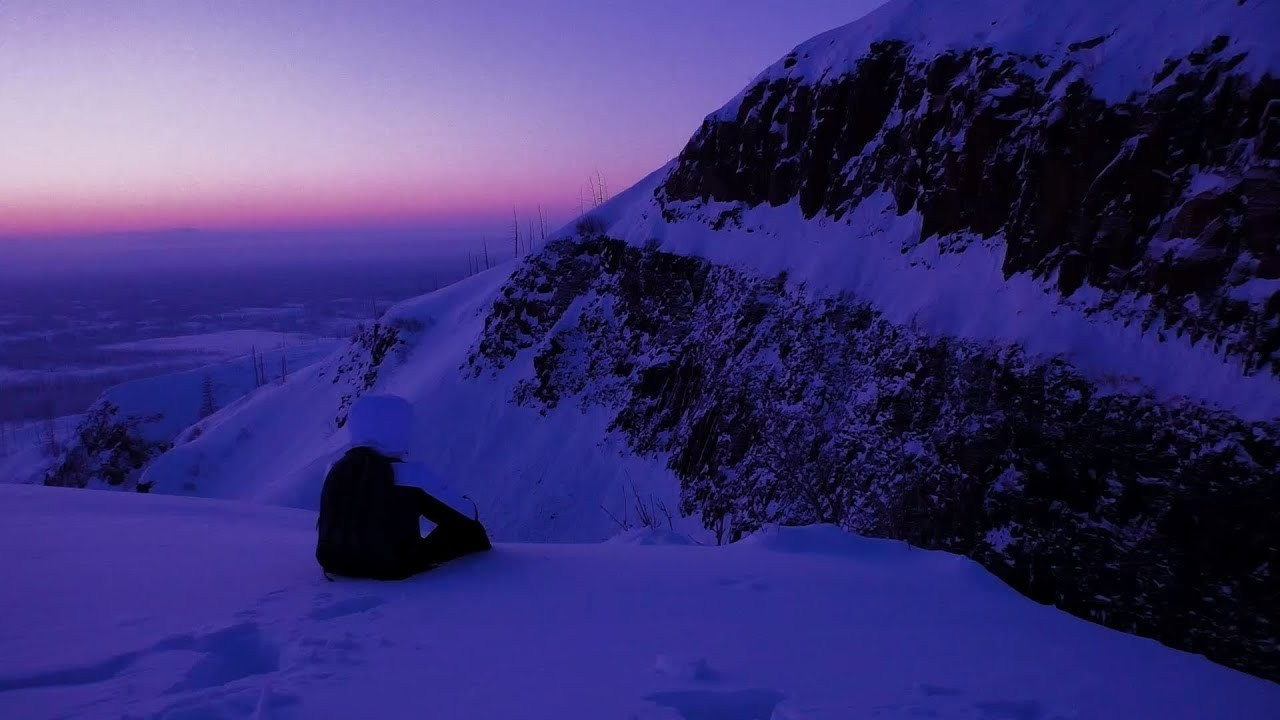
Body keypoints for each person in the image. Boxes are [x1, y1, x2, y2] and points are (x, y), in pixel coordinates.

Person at [316, 394, 491, 580]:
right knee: (472, 531)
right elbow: (466, 515)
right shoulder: (410, 475)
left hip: (334, 563)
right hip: (393, 566)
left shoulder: (335, 469)